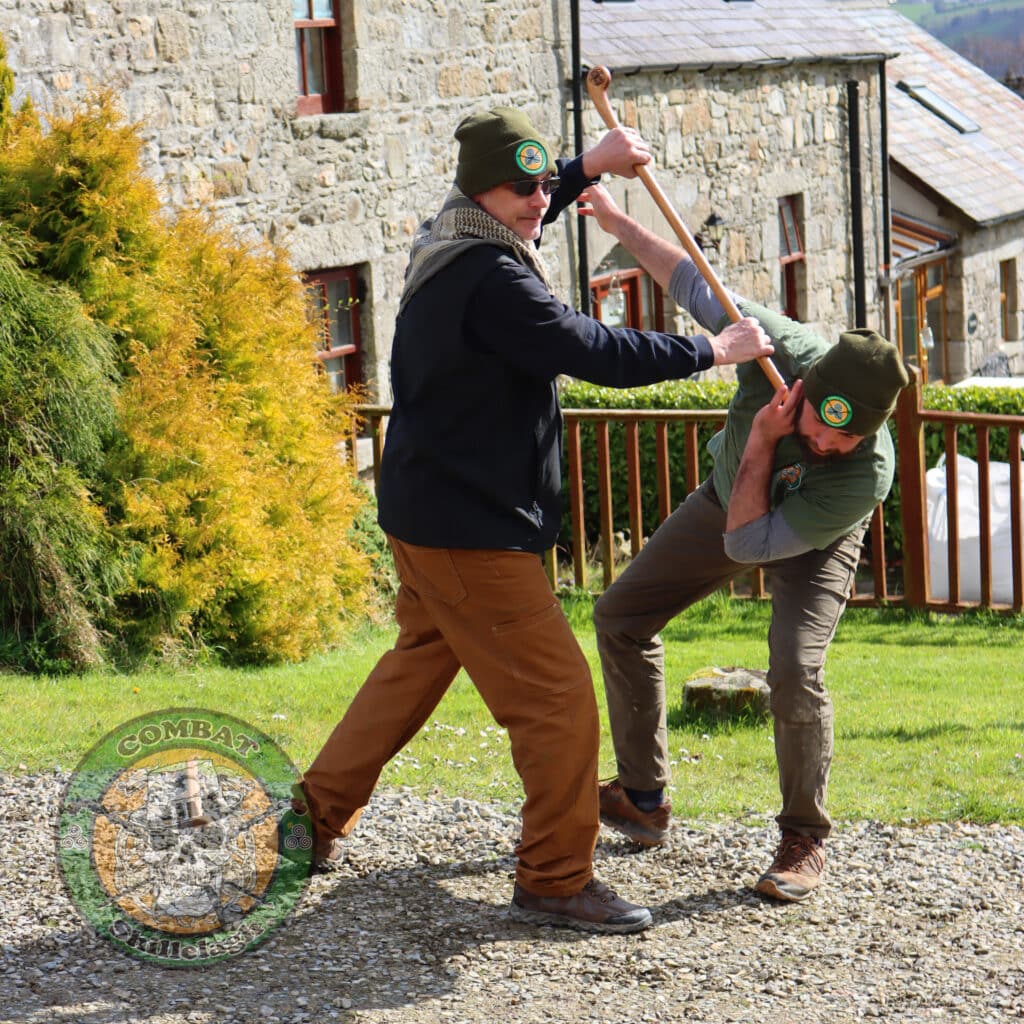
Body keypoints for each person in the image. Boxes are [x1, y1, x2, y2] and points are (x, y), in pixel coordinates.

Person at [290, 108, 774, 934]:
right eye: (521, 188)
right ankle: (554, 876)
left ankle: (312, 818)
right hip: (468, 532)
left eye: (543, 183)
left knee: (416, 664)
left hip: (429, 512)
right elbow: (592, 349)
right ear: (481, 191)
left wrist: (592, 163)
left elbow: (535, 195)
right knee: (558, 701)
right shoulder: (495, 280)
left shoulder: (451, 231)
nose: (536, 201)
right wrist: (711, 351)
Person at [579, 184, 909, 903]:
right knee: (620, 617)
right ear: (809, 381)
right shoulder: (780, 349)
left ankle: (803, 838)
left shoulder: (863, 476)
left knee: (793, 666)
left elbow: (754, 546)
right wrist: (615, 220)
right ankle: (641, 797)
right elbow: (690, 279)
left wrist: (765, 439)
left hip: (806, 535)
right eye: (819, 422)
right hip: (726, 501)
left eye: (841, 437)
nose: (823, 441)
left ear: (869, 433)